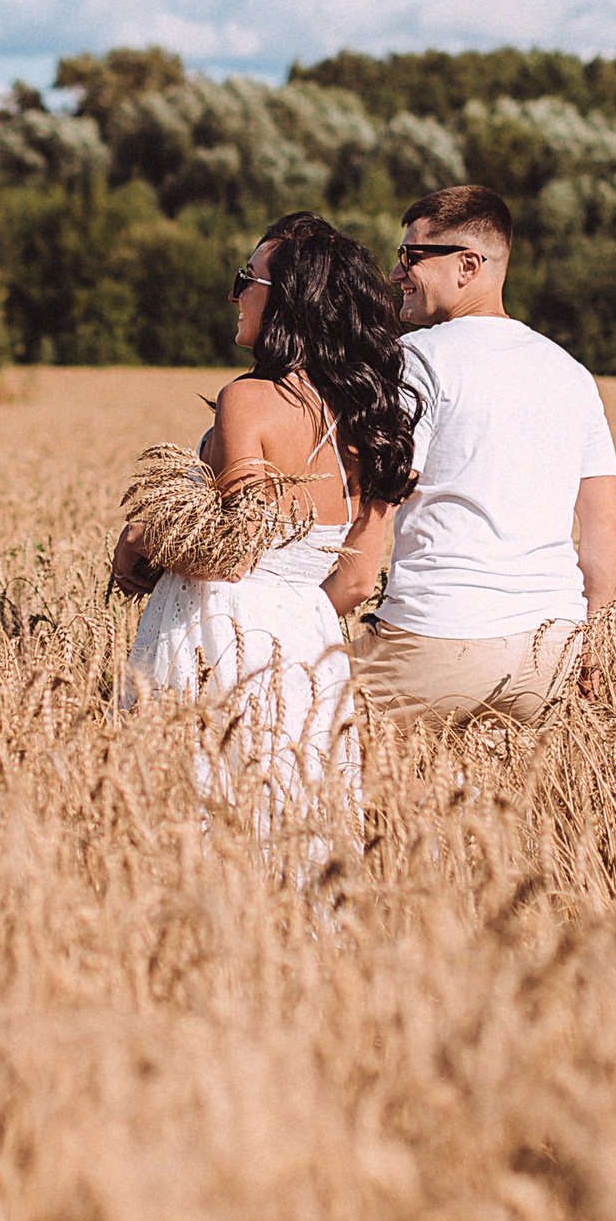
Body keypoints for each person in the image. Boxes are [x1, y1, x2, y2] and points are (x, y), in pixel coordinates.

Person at [111, 213, 419, 809]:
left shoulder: (248, 398)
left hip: (218, 631)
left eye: (246, 279)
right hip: (308, 640)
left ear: (289, 303)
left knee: (200, 808)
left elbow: (234, 543)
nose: (234, 293)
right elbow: (356, 581)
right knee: (296, 814)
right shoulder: (372, 417)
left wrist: (140, 538)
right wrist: (285, 616)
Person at [352, 184, 616, 725]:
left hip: (439, 635)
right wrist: (592, 637)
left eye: (411, 256)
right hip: (552, 650)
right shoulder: (571, 373)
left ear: (468, 265)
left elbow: (380, 493)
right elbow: (606, 525)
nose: (395, 273)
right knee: (500, 806)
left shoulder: (416, 359)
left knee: (307, 737)